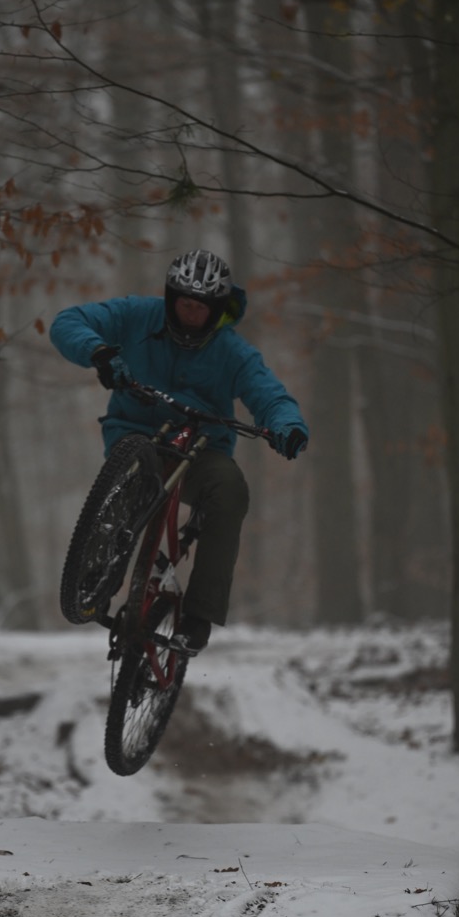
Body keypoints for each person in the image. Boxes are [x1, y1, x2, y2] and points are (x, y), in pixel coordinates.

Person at [50, 248, 308, 655]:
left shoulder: (233, 352)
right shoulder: (136, 315)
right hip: (134, 434)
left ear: (216, 310)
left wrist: (287, 427)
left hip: (201, 449)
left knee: (229, 490)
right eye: (184, 304)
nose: (190, 314)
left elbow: (270, 395)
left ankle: (199, 616)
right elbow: (68, 322)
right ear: (171, 298)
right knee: (136, 471)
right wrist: (98, 352)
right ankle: (99, 574)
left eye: (201, 308)